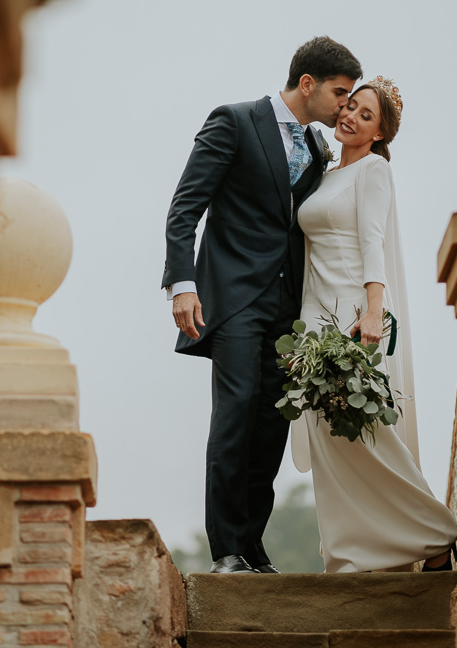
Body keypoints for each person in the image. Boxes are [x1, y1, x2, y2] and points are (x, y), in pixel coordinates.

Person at [163, 37, 362, 574]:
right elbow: (186, 207)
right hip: (231, 300)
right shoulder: (233, 121)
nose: (345, 106)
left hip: (287, 309)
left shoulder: (318, 149)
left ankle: (252, 544)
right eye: (340, 94)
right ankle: (226, 549)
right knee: (235, 414)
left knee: (273, 423)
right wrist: (182, 283)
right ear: (307, 84)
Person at [289, 76, 457, 573]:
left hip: (351, 314)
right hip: (313, 319)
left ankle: (434, 535)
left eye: (366, 116)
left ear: (379, 135)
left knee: (365, 428)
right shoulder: (322, 174)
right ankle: (348, 555)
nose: (351, 117)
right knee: (328, 436)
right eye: (351, 106)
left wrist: (372, 312)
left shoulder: (373, 173)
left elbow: (372, 243)